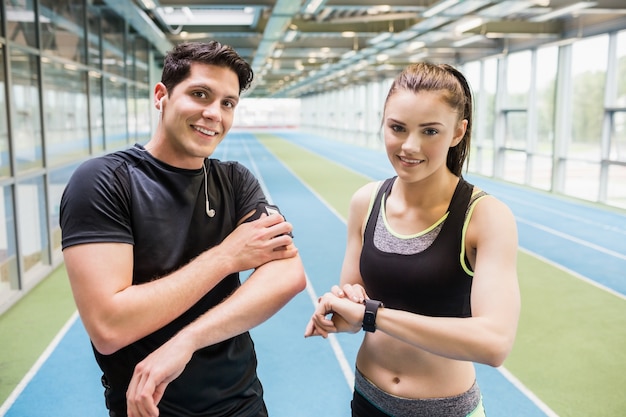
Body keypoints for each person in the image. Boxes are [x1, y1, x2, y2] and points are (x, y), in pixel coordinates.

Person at [60, 41, 306, 417]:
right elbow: (109, 327)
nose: (214, 113)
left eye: (228, 103)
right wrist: (227, 257)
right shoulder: (104, 181)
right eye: (200, 94)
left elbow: (287, 274)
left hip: (242, 405)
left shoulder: (235, 180)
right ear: (162, 95)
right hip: (150, 409)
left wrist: (187, 340)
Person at [304, 62, 520, 417]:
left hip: (445, 411)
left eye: (430, 131)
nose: (409, 146)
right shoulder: (366, 202)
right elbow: (354, 303)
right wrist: (338, 310)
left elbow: (494, 344)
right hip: (368, 400)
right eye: (397, 128)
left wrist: (373, 316)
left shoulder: (484, 216)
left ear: (458, 132)